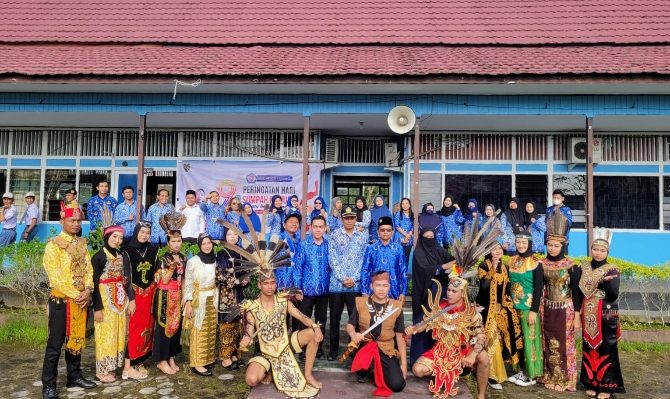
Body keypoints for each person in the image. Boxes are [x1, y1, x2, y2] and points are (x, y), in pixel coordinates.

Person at [41, 207, 96, 399]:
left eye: (79, 221)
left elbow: (89, 270)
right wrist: (77, 294)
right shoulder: (53, 246)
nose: (76, 224)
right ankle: (48, 385)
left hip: (81, 300)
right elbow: (55, 277)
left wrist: (88, 290)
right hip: (62, 300)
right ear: (62, 222)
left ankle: (74, 376)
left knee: (77, 340)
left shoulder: (82, 243)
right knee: (55, 344)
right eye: (72, 220)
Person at [241, 272, 322, 398]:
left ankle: (308, 374)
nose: (269, 287)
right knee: (251, 379)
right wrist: (245, 340)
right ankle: (269, 370)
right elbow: (248, 332)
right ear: (259, 285)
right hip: (264, 351)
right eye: (266, 283)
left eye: (272, 283)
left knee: (312, 334)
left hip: (285, 345)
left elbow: (303, 317)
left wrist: (315, 327)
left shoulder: (283, 301)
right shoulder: (252, 307)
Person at [408, 278, 489, 399]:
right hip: (441, 350)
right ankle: (447, 373)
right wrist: (413, 329)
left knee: (484, 357)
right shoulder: (439, 308)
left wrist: (472, 355)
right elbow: (423, 325)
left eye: (454, 291)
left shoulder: (471, 312)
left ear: (463, 293)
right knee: (418, 370)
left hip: (462, 350)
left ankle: (481, 394)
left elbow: (482, 337)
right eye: (449, 290)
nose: (449, 293)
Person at [579, 228, 625, 399]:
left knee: (607, 347)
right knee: (589, 346)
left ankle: (607, 386)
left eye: (602, 250)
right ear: (591, 250)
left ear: (607, 252)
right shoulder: (583, 266)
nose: (598, 253)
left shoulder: (612, 269)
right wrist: (601, 283)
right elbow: (578, 291)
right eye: (595, 249)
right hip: (588, 312)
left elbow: (613, 293)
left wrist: (597, 284)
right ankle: (591, 383)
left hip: (605, 313)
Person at [539, 211, 581, 392]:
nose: (553, 248)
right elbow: (538, 289)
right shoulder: (541, 264)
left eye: (556, 245)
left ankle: (565, 379)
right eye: (550, 245)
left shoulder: (572, 265)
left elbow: (577, 293)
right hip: (547, 308)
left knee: (565, 343)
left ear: (563, 245)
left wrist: (578, 316)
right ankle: (548, 375)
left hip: (566, 308)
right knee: (547, 342)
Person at [346, 271, 407, 396]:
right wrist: (353, 335)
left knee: (397, 385)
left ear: (389, 286)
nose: (381, 289)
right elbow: (350, 324)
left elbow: (400, 336)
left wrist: (404, 364)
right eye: (378, 285)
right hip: (365, 345)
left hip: (386, 348)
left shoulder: (396, 306)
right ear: (371, 286)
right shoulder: (361, 302)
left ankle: (378, 367)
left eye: (385, 285)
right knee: (361, 371)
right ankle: (369, 368)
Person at [476, 241, 523, 390]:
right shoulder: (484, 266)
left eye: (499, 249)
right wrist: (493, 269)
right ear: (489, 251)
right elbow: (483, 287)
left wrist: (508, 305)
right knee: (491, 341)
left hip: (500, 310)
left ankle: (498, 372)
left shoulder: (505, 268)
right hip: (487, 310)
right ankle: (490, 375)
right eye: (493, 249)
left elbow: (506, 289)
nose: (497, 251)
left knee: (501, 342)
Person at [327, 206, 368, 361]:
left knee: (355, 320)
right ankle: (333, 350)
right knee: (335, 319)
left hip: (355, 286)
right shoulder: (335, 235)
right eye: (346, 218)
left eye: (352, 218)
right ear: (341, 219)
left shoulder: (362, 236)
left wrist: (354, 278)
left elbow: (364, 261)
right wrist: (343, 278)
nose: (349, 220)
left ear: (355, 219)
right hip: (337, 286)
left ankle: (354, 351)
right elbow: (332, 258)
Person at [409, 227, 454, 365]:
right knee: (423, 320)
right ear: (422, 238)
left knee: (440, 321)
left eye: (432, 236)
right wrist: (442, 267)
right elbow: (424, 269)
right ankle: (418, 358)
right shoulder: (418, 252)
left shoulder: (438, 248)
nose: (429, 239)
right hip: (425, 292)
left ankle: (439, 357)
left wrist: (454, 265)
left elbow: (452, 260)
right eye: (426, 236)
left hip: (441, 293)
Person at [121, 221, 159, 380]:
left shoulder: (153, 250)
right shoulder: (127, 252)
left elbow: (156, 272)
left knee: (148, 328)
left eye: (147, 233)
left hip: (150, 294)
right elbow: (127, 277)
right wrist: (130, 299)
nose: (144, 235)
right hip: (136, 296)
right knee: (134, 328)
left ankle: (139, 361)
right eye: (142, 232)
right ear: (136, 232)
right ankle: (128, 367)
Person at [91, 222, 127, 383]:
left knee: (116, 333)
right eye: (114, 237)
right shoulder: (98, 256)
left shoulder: (119, 255)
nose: (117, 240)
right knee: (105, 334)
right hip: (105, 301)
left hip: (118, 300)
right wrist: (97, 308)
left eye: (120, 237)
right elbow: (93, 283)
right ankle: (101, 370)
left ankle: (111, 366)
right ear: (107, 237)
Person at [507, 230, 544, 387]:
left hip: (529, 309)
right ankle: (521, 369)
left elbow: (538, 289)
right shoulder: (512, 260)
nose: (520, 245)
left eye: (524, 243)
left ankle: (532, 375)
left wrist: (534, 311)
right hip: (514, 308)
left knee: (530, 340)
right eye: (518, 242)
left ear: (529, 243)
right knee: (519, 341)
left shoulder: (536, 263)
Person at [153, 212, 187, 375]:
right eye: (173, 241)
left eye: (179, 241)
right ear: (168, 242)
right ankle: (162, 360)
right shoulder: (163, 258)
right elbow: (164, 280)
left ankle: (171, 356)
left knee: (176, 327)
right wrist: (171, 267)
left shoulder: (183, 257)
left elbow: (185, 278)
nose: (176, 244)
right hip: (165, 296)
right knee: (163, 326)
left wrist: (185, 297)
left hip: (178, 295)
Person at [183, 234, 219, 376]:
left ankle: (207, 359)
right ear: (199, 245)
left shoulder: (215, 260)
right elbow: (189, 283)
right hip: (199, 299)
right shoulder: (193, 261)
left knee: (210, 330)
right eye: (203, 243)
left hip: (213, 298)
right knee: (198, 329)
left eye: (209, 242)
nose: (207, 246)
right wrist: (189, 302)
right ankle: (197, 363)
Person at [294, 215, 329, 359]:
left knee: (321, 319)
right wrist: (297, 288)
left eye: (321, 227)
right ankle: (303, 347)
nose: (318, 229)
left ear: (325, 228)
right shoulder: (304, 245)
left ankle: (318, 348)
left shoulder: (329, 245)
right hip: (306, 291)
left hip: (324, 291)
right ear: (311, 228)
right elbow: (298, 267)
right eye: (315, 226)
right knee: (305, 319)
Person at [216, 228, 246, 370]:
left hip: (239, 294)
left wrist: (246, 279)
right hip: (226, 296)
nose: (233, 237)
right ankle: (226, 357)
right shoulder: (222, 253)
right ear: (225, 237)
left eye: (235, 234)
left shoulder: (241, 252)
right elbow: (220, 275)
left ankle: (235, 354)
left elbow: (247, 270)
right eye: (229, 234)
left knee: (237, 325)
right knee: (227, 325)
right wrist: (237, 282)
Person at [361, 216, 407, 301]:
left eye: (388, 230)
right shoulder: (371, 248)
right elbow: (365, 270)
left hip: (394, 291)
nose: (385, 232)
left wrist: (403, 292)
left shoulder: (398, 248)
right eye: (382, 230)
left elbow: (403, 271)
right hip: (374, 291)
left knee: (393, 314)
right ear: (378, 232)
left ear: (392, 232)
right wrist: (364, 291)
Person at [278, 211, 303, 291]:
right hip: (283, 285)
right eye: (291, 221)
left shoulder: (299, 241)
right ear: (284, 225)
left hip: (297, 283)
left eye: (296, 222)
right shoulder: (279, 239)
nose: (294, 224)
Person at [393, 197, 414, 263]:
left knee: (406, 258)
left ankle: (404, 273)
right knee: (398, 258)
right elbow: (397, 226)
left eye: (406, 203)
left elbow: (414, 226)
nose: (404, 205)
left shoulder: (413, 215)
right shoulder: (398, 214)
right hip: (399, 238)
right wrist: (405, 234)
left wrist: (409, 235)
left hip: (409, 239)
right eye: (403, 204)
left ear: (409, 205)